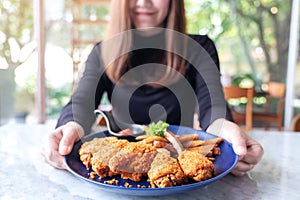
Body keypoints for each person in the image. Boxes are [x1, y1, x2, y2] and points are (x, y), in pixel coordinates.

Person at [42, 0, 263, 177]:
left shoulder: (199, 48)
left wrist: (229, 134)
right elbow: (82, 101)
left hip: (178, 164)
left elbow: (213, 110)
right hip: (118, 169)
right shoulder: (102, 51)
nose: (143, 2)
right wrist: (69, 128)